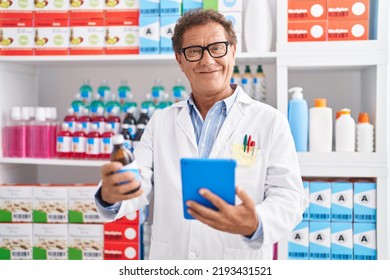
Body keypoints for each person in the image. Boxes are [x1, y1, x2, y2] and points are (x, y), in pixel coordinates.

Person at [95, 9, 308, 260]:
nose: (207, 61)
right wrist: (112, 193)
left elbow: (290, 197)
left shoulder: (270, 121)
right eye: (194, 51)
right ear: (180, 60)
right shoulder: (161, 122)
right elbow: (139, 180)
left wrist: (256, 221)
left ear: (233, 51)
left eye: (217, 48)